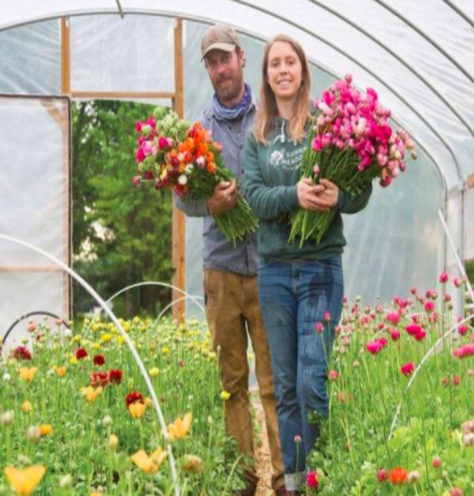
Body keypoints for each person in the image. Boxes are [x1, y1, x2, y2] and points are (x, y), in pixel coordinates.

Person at [243, 34, 372, 494]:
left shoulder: (326, 124)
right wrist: (293, 195)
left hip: (320, 267)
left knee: (313, 379)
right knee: (284, 386)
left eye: (290, 62)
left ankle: (319, 475)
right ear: (266, 75)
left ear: (302, 70)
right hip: (276, 271)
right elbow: (253, 197)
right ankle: (295, 482)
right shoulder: (256, 135)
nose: (282, 70)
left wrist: (341, 197)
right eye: (274, 63)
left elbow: (360, 186)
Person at [174, 24, 285, 496]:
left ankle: (283, 480)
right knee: (231, 382)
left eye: (227, 58)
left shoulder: (271, 118)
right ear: (209, 70)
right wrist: (210, 205)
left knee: (274, 380)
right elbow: (181, 198)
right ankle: (243, 480)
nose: (221, 69)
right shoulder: (198, 130)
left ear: (242, 58)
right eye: (212, 62)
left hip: (267, 266)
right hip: (220, 269)